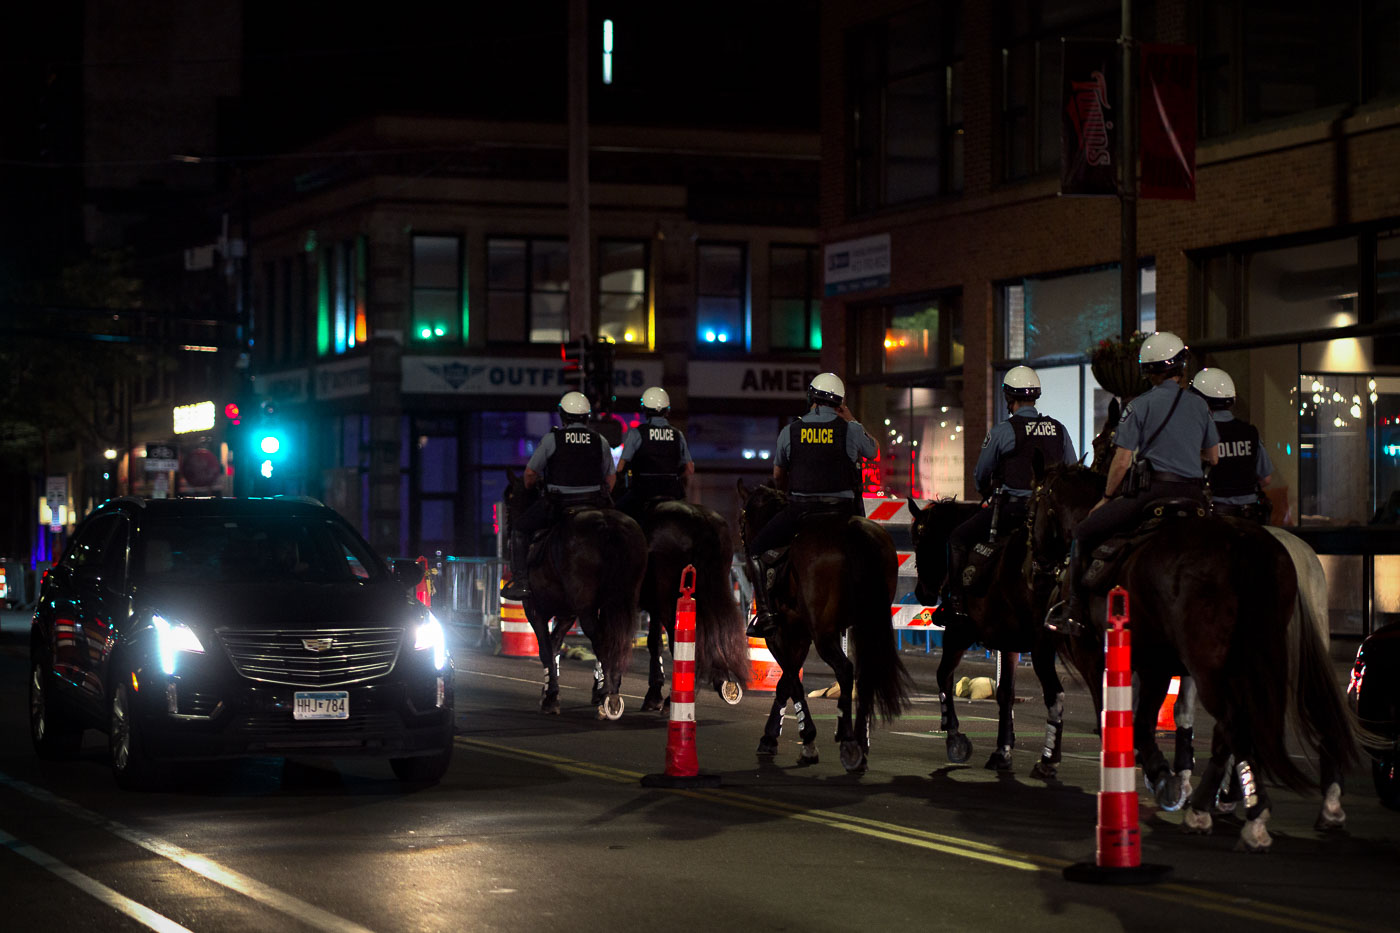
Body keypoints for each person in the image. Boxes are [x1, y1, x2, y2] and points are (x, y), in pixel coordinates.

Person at [1045, 331, 1219, 635]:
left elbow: (1122, 461)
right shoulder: (1200, 406)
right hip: (1195, 496)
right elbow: (1213, 457)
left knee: (1084, 533)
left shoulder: (1138, 406)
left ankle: (1073, 609)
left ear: (1148, 371)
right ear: (1180, 367)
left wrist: (1107, 497)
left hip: (1152, 494)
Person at [745, 372, 878, 637]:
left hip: (801, 511)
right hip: (842, 512)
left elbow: (777, 476)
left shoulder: (791, 431)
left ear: (811, 399)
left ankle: (767, 615)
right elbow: (873, 451)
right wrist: (851, 419)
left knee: (755, 550)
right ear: (839, 403)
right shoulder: (849, 429)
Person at [940, 366, 1076, 616]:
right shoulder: (1059, 429)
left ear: (1009, 399)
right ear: (1035, 397)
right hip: (1049, 518)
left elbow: (981, 474)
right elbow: (1073, 470)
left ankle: (956, 603)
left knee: (958, 538)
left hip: (1011, 511)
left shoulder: (1003, 431)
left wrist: (985, 492)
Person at [500, 391, 615, 600]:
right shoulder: (600, 441)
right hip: (594, 503)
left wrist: (530, 486)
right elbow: (611, 478)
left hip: (558, 504)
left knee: (519, 529)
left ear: (563, 415)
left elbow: (529, 474)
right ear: (587, 416)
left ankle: (522, 581)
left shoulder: (553, 439)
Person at [1191, 368, 1273, 521]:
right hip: (1251, 516)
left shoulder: (1199, 434)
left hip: (1215, 517)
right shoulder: (1249, 432)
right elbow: (1266, 478)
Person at [612, 386, 695, 523]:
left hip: (642, 493)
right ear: (667, 410)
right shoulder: (677, 434)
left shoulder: (637, 433)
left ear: (644, 409)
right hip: (672, 492)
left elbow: (621, 467)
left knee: (616, 514)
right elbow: (690, 469)